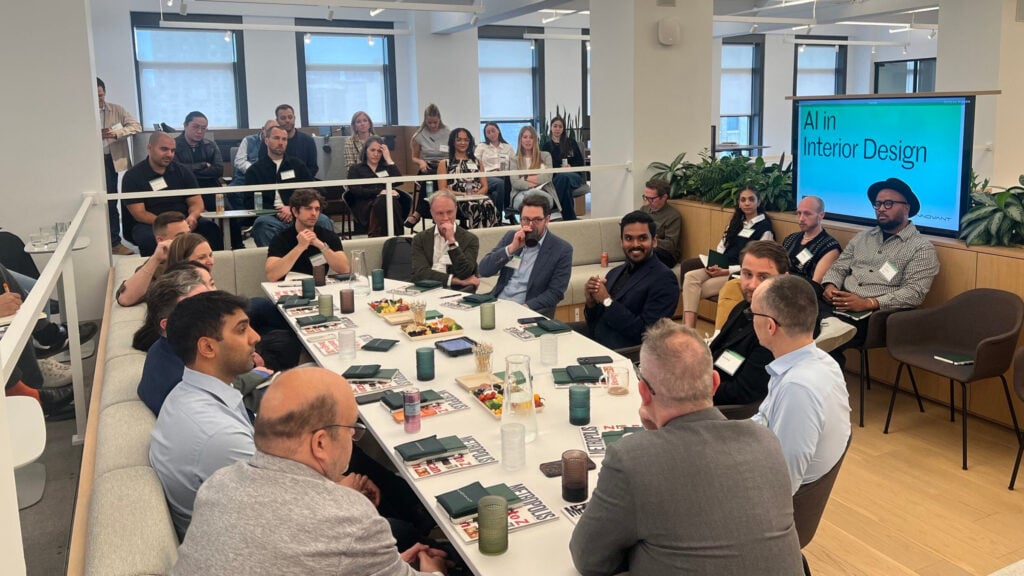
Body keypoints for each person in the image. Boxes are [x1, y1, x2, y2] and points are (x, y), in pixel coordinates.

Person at [569, 319, 802, 575]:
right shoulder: (766, 441)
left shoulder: (631, 460)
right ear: (714, 383)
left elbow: (589, 559)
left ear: (643, 392)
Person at [171, 367, 450, 575]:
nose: (353, 440)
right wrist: (435, 570)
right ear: (320, 443)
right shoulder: (351, 519)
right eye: (352, 430)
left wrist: (386, 565)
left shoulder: (218, 484)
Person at [149, 291, 262, 538]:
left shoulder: (183, 393)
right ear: (208, 347)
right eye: (242, 330)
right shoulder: (219, 435)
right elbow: (282, 510)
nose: (255, 337)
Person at [751, 275, 852, 494]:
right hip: (761, 459)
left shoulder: (797, 389)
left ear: (770, 326)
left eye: (752, 314)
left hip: (767, 496)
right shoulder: (822, 361)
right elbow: (764, 419)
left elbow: (781, 484)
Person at [135, 267, 276, 417]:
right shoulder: (184, 382)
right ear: (168, 324)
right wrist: (255, 375)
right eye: (197, 308)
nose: (215, 311)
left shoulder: (160, 350)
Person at [821, 177, 940, 349]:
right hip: (840, 302)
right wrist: (830, 286)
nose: (881, 209)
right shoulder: (862, 238)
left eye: (888, 204)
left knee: (814, 334)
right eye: (877, 204)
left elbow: (914, 293)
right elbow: (839, 267)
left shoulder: (921, 248)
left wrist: (869, 303)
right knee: (800, 297)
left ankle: (826, 331)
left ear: (906, 207)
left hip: (874, 315)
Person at [581, 211, 679, 350]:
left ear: (654, 241)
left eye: (642, 238)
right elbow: (595, 322)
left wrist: (607, 301)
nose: (635, 244)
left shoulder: (664, 279)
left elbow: (645, 334)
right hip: (595, 343)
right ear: (621, 241)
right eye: (629, 238)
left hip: (625, 353)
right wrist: (591, 303)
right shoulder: (615, 273)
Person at [682, 187, 774, 329]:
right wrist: (716, 264)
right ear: (739, 203)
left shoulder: (765, 228)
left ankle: (688, 330)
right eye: (743, 200)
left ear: (759, 202)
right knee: (690, 277)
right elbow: (722, 246)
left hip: (738, 273)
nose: (747, 203)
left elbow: (758, 263)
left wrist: (727, 270)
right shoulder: (736, 222)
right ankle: (689, 329)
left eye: (751, 199)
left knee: (693, 290)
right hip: (721, 266)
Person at [709, 240, 788, 407]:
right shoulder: (742, 308)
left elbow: (743, 393)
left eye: (763, 277)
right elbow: (714, 351)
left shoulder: (777, 330)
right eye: (747, 274)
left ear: (783, 279)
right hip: (708, 385)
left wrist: (692, 389)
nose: (752, 285)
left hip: (725, 410)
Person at [121, 132, 222, 256]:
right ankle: (155, 267)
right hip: (152, 223)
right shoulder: (133, 176)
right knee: (148, 239)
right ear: (149, 148)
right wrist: (168, 225)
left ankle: (209, 265)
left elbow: (197, 203)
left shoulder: (183, 171)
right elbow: (139, 213)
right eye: (164, 149)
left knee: (210, 229)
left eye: (173, 150)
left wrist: (193, 216)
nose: (169, 154)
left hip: (183, 220)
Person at [478, 194, 572, 317]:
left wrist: (525, 308)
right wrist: (511, 248)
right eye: (526, 219)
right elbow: (484, 270)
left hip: (527, 310)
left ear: (547, 220)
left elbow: (555, 293)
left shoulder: (561, 249)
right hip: (498, 303)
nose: (530, 225)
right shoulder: (511, 237)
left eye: (537, 220)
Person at [245, 124, 333, 247]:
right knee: (261, 224)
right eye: (276, 138)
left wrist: (292, 209)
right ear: (266, 140)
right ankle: (277, 257)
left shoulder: (297, 165)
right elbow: (250, 202)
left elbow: (311, 191)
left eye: (284, 139)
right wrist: (277, 211)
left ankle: (325, 256)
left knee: (323, 220)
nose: (281, 142)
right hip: (271, 216)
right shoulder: (254, 170)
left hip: (299, 212)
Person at [98, 77, 142, 256]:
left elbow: (136, 126)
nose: (99, 99)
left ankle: (115, 242)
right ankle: (101, 242)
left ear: (105, 93)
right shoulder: (83, 112)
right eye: (95, 96)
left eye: (101, 95)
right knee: (95, 202)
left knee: (111, 201)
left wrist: (115, 133)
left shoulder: (116, 109)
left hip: (110, 160)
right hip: (89, 161)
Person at [265, 188, 349, 281]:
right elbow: (272, 276)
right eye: (308, 209)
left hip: (319, 284)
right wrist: (300, 247)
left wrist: (321, 246)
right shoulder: (281, 238)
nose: (314, 213)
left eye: (317, 209)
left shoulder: (328, 236)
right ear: (295, 212)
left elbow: (345, 270)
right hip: (289, 286)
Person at [115, 211, 192, 307]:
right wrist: (155, 259)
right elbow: (125, 299)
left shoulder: (202, 254)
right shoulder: (159, 268)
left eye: (189, 234)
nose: (188, 240)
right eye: (180, 237)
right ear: (161, 241)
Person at [410, 191, 480, 291]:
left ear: (456, 210)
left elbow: (465, 273)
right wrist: (454, 280)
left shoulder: (470, 239)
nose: (445, 218)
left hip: (456, 292)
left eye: (449, 212)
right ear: (432, 213)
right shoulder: (420, 239)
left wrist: (452, 242)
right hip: (425, 290)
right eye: (440, 213)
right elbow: (419, 274)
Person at [345, 136, 411, 236]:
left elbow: (398, 181)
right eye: (372, 150)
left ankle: (380, 236)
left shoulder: (385, 167)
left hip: (388, 202)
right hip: (365, 204)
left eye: (379, 151)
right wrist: (380, 192)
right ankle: (397, 237)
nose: (376, 154)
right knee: (385, 200)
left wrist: (389, 159)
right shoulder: (356, 168)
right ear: (365, 151)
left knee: (388, 200)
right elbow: (355, 190)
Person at [226, 120, 277, 249]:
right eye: (269, 130)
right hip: (245, 177)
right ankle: (243, 225)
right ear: (263, 129)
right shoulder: (248, 140)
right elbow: (239, 161)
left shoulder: (277, 144)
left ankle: (257, 221)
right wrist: (255, 170)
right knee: (232, 192)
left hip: (267, 178)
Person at [437, 127, 496, 228]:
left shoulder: (478, 162)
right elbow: (442, 189)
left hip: (477, 196)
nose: (463, 143)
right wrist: (464, 195)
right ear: (453, 142)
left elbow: (485, 186)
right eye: (459, 140)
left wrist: (476, 194)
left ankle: (489, 235)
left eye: (466, 140)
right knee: (474, 207)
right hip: (456, 199)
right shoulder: (445, 163)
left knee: (489, 205)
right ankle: (476, 236)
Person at [407, 103, 450, 226]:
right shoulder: (419, 135)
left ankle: (419, 212)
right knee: (431, 177)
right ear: (425, 120)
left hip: (445, 166)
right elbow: (414, 157)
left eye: (435, 122)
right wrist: (421, 162)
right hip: (428, 166)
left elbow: (453, 153)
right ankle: (433, 212)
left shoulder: (447, 132)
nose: (432, 125)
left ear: (439, 119)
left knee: (436, 177)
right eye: (429, 123)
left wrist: (445, 162)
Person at [782, 196, 841, 283]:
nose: (801, 219)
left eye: (807, 214)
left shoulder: (830, 247)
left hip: (803, 288)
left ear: (821, 215)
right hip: (780, 283)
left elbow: (815, 284)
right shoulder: (791, 238)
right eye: (799, 213)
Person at [173, 111, 223, 210]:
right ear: (185, 126)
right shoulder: (173, 145)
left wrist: (190, 171)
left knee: (229, 214)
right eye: (195, 127)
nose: (200, 131)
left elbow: (218, 170)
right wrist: (202, 165)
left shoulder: (211, 145)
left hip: (209, 189)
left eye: (203, 128)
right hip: (184, 191)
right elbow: (177, 171)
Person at [542, 115, 585, 220]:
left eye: (560, 126)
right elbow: (545, 166)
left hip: (573, 175)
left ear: (563, 129)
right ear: (551, 127)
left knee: (564, 178)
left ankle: (549, 209)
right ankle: (570, 220)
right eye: (555, 126)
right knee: (565, 187)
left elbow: (580, 162)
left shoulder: (571, 143)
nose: (557, 129)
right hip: (556, 177)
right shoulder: (546, 146)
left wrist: (570, 166)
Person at [509, 125, 557, 214]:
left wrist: (525, 178)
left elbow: (548, 177)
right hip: (521, 194)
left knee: (539, 199)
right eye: (525, 137)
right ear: (520, 140)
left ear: (535, 140)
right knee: (527, 198)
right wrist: (534, 184)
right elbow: (515, 182)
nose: (528, 140)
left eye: (531, 137)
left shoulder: (546, 156)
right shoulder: (514, 159)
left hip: (543, 192)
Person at [640, 178, 682, 268]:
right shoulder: (644, 209)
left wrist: (653, 241)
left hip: (666, 254)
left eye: (651, 199)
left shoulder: (673, 216)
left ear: (664, 197)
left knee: (647, 254)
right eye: (646, 197)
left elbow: (671, 245)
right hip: (645, 247)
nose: (648, 202)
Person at [475, 121, 514, 220]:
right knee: (500, 183)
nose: (491, 134)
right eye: (488, 132)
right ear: (485, 135)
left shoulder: (507, 147)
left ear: (498, 131)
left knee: (498, 191)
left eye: (493, 131)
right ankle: (499, 216)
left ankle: (502, 214)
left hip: (505, 175)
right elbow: (475, 163)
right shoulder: (482, 146)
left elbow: (514, 164)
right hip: (488, 176)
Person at [275, 104, 318, 176]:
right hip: (276, 182)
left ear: (294, 118)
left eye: (290, 117)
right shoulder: (268, 143)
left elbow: (313, 168)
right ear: (277, 121)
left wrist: (290, 176)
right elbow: (264, 169)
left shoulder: (308, 141)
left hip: (303, 181)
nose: (287, 120)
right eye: (283, 118)